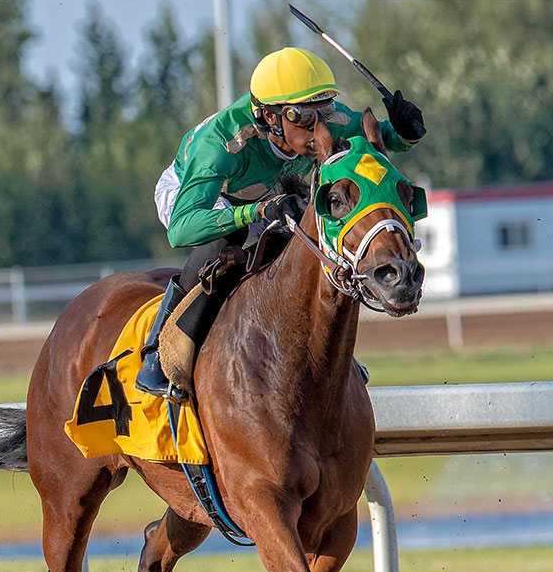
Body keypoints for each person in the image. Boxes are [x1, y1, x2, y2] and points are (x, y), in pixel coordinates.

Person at [135, 46, 426, 399]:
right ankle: (158, 354)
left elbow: (381, 137)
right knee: (229, 237)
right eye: (303, 118)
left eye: (324, 110)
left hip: (268, 193)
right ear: (271, 118)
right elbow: (183, 228)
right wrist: (257, 212)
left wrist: (405, 131)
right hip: (197, 198)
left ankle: (331, 355)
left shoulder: (320, 119)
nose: (320, 126)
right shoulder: (220, 144)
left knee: (311, 239)